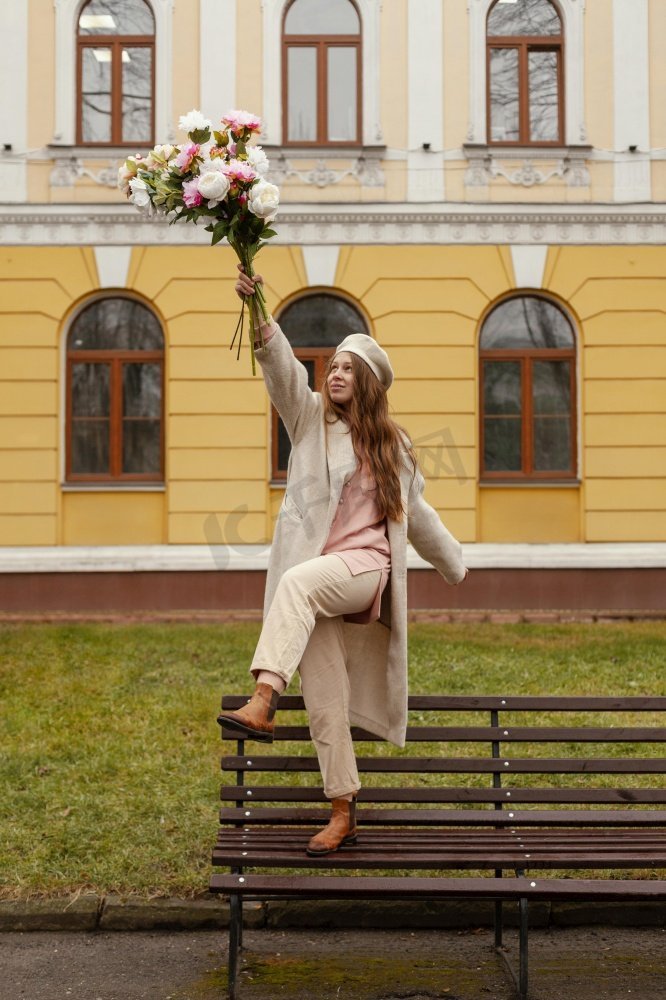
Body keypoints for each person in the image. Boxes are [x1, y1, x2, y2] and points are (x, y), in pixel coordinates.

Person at [217, 265, 468, 857]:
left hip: (363, 571)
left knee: (298, 585)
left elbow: (420, 518)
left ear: (370, 383)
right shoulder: (309, 422)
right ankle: (343, 810)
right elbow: (281, 371)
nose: (334, 373)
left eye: (347, 368)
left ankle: (262, 698)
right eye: (332, 365)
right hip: (318, 580)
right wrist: (258, 311)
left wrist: (454, 565)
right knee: (325, 693)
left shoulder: (392, 447)